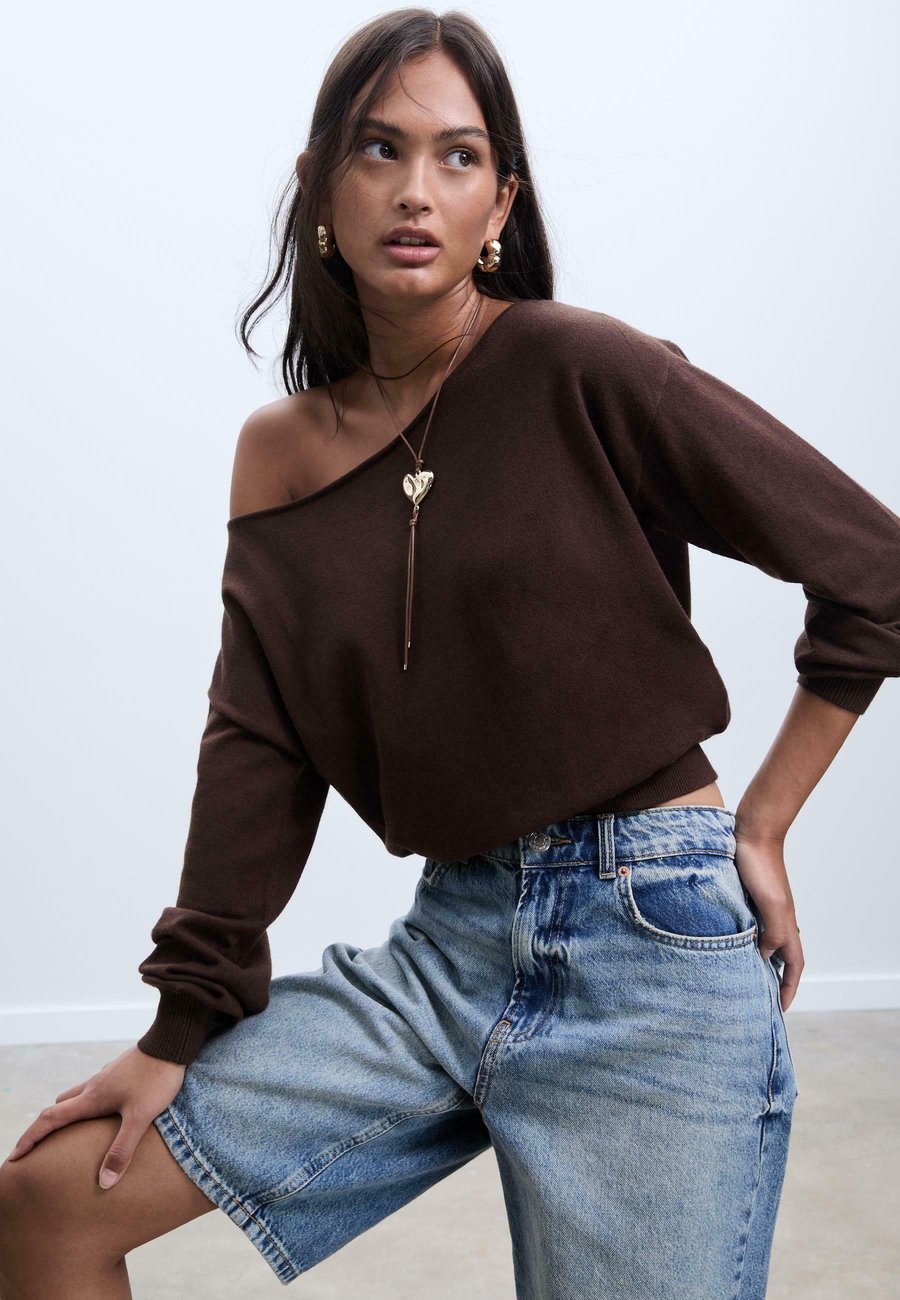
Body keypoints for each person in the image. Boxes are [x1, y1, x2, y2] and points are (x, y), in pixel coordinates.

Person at [2, 9, 898, 1299]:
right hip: (449, 944)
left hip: (652, 947)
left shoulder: (579, 365)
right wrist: (179, 1024)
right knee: (47, 1201)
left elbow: (877, 572)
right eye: (379, 149)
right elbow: (257, 744)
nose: (416, 190)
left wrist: (759, 825)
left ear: (500, 206)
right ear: (321, 186)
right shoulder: (280, 455)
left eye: (458, 156)